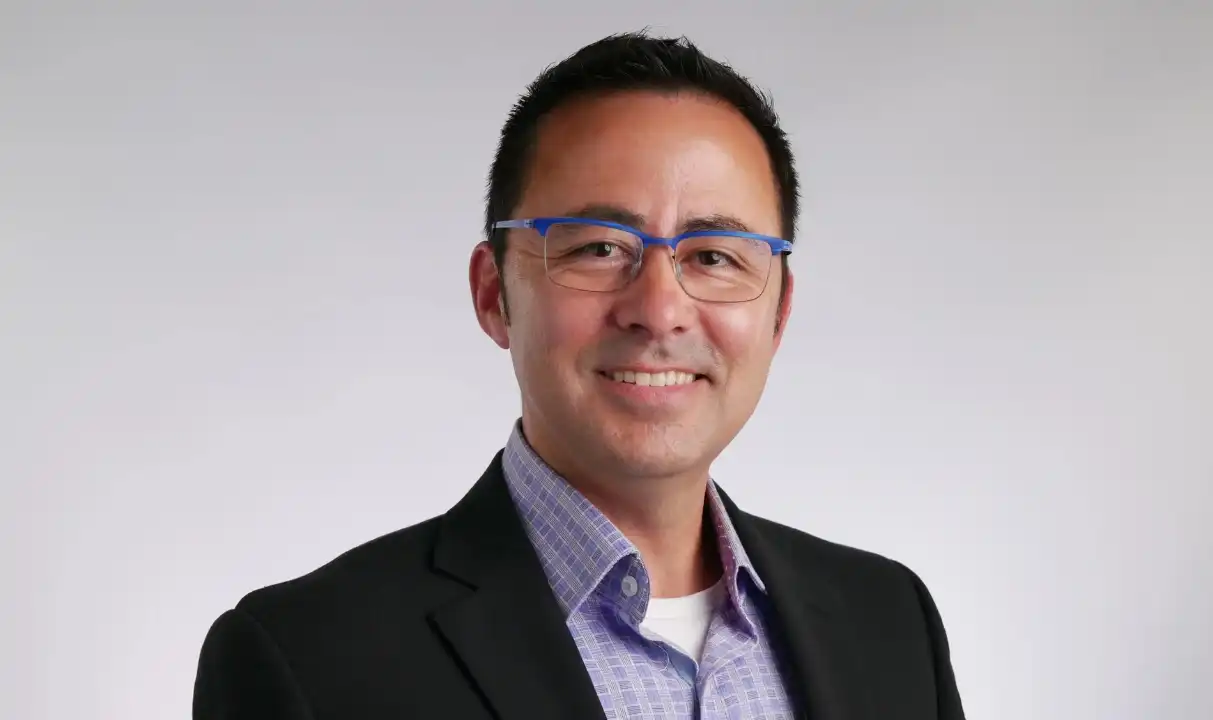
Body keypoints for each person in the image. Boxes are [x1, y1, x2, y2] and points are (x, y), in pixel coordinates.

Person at [193, 31, 965, 720]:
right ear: (494, 294)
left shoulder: (890, 623)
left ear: (778, 311)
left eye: (714, 257)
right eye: (597, 248)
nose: (659, 310)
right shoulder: (308, 662)